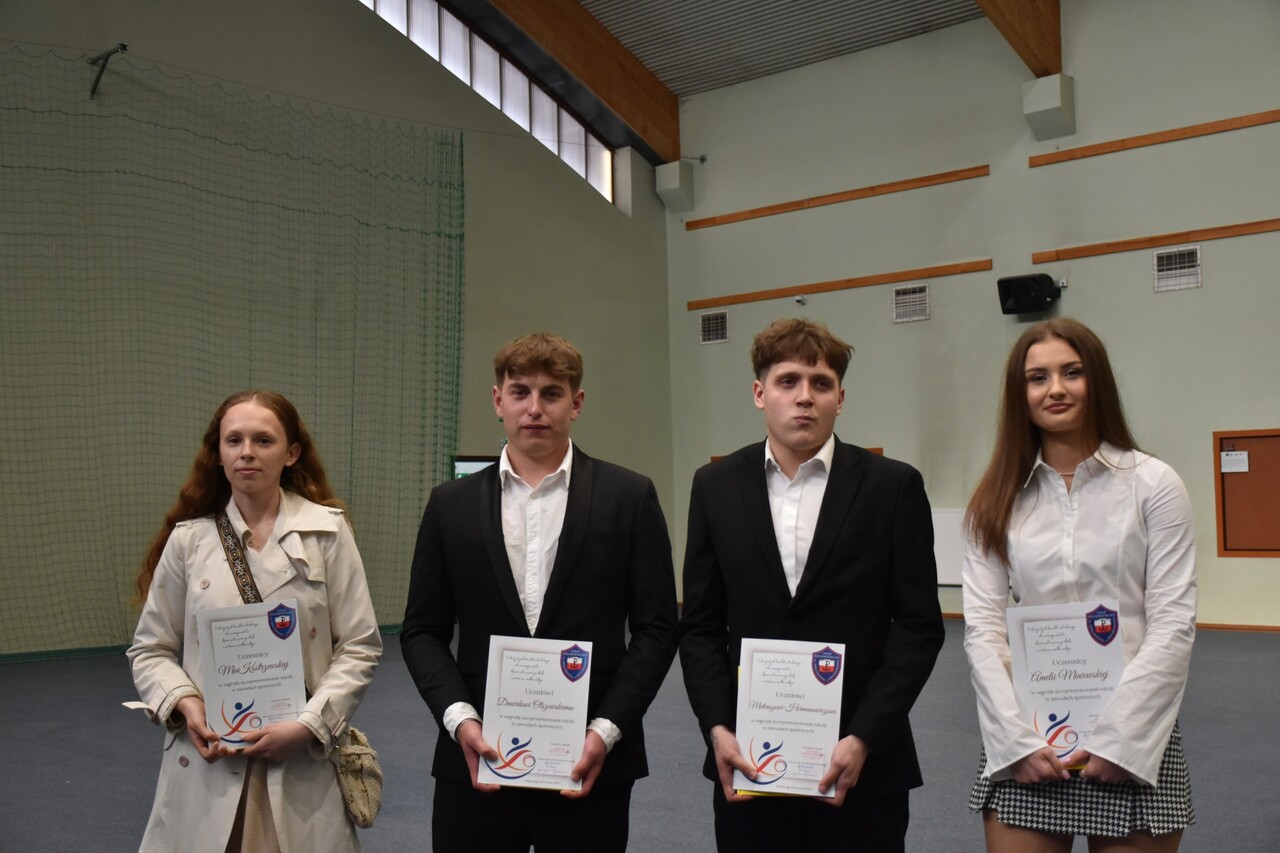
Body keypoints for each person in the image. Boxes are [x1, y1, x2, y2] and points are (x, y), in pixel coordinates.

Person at [400, 332, 679, 853]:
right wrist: (460, 719)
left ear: (576, 403)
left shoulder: (629, 496)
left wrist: (606, 730)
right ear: (498, 400)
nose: (534, 408)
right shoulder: (449, 505)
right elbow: (421, 631)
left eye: (551, 394)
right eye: (520, 392)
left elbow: (658, 630)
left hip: (590, 758)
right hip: (476, 756)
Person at [679, 318, 946, 852]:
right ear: (760, 393)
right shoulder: (714, 486)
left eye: (821, 384)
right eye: (788, 381)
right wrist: (718, 728)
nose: (805, 397)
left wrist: (864, 736)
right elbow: (701, 627)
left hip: (863, 765)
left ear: (839, 399)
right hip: (748, 759)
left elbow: (918, 627)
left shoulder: (892, 487)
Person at [962, 318, 1197, 851]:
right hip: (1027, 739)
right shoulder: (995, 499)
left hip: (1135, 733)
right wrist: (1015, 742)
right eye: (1037, 377)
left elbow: (1173, 624)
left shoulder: (1153, 484)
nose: (1056, 389)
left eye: (1072, 372)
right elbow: (983, 631)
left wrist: (1121, 740)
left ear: (1098, 381)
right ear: (1019, 393)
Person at [128, 390, 382, 852]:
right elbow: (150, 648)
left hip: (300, 759)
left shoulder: (327, 532)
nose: (247, 452)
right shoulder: (188, 542)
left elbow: (359, 645)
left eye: (263, 440)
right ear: (218, 454)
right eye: (234, 440)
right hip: (210, 756)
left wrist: (310, 724)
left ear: (291, 453)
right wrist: (185, 703)